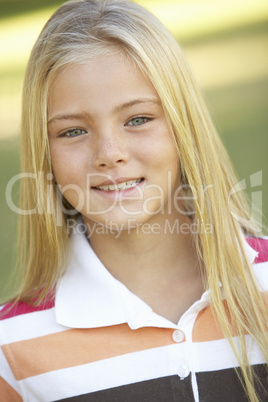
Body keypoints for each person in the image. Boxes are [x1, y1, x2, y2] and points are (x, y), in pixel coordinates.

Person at [0, 0, 267, 400]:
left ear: (184, 127)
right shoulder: (13, 346)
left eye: (138, 119)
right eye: (73, 131)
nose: (109, 153)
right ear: (45, 154)